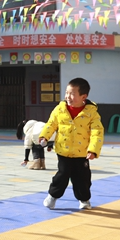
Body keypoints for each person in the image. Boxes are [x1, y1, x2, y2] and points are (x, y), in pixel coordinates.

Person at [39, 78, 104, 210]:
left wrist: (93, 150)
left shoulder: (91, 113)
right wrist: (44, 136)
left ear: (83, 97)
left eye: (72, 94)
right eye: (67, 93)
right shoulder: (60, 109)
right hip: (63, 150)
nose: (68, 96)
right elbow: (51, 124)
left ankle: (84, 200)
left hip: (82, 153)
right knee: (62, 175)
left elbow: (97, 132)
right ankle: (52, 196)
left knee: (83, 178)